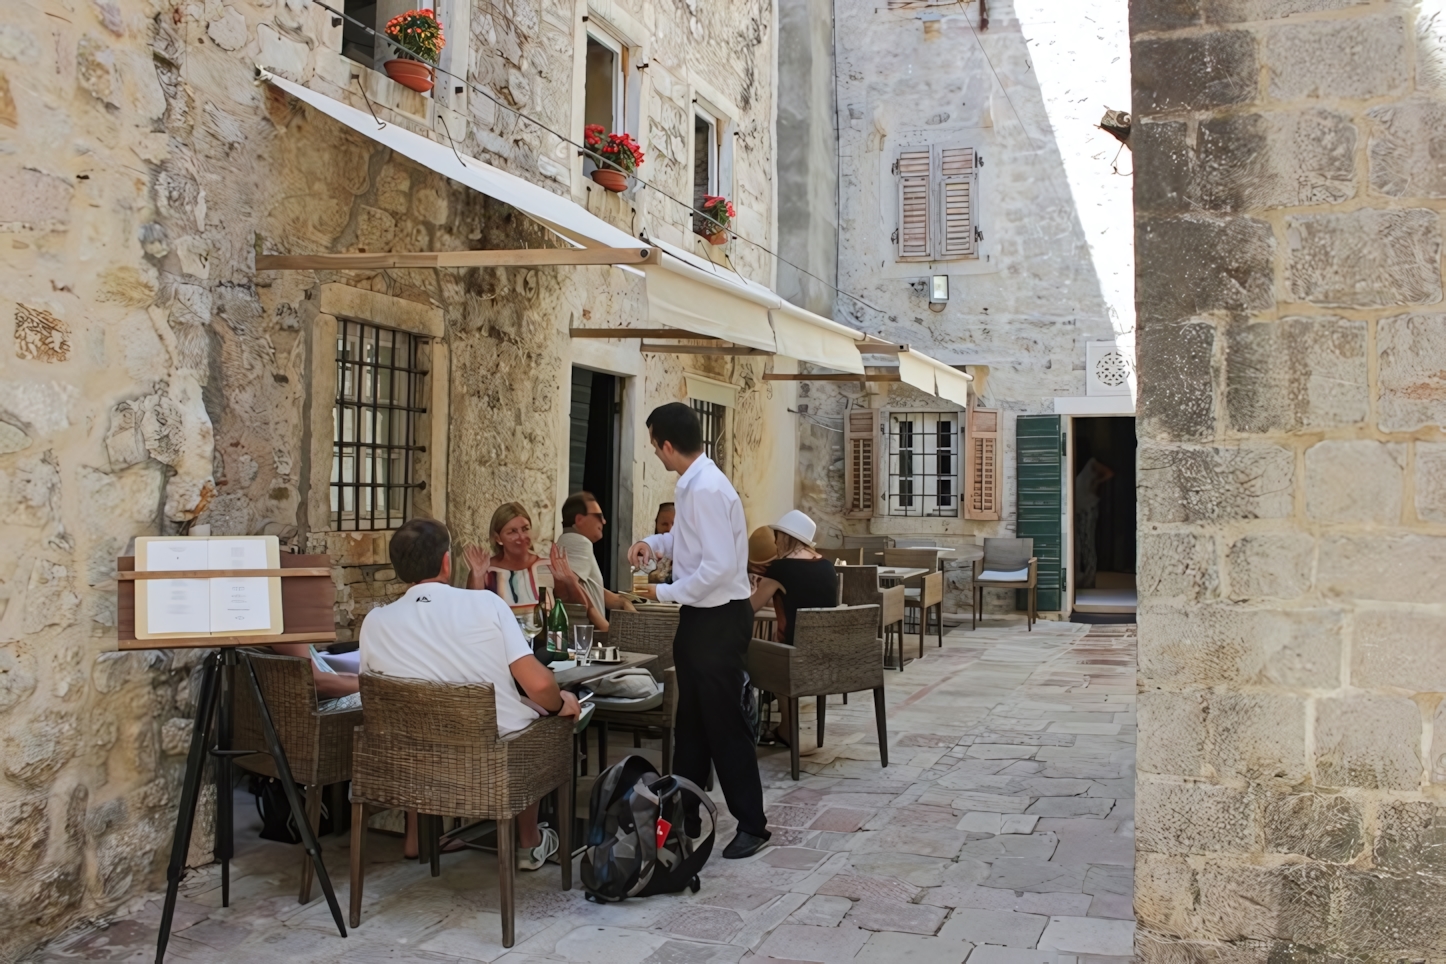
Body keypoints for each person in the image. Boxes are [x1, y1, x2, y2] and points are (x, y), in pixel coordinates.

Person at [359, 518, 582, 865]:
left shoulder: (374, 621)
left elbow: (395, 689)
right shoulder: (485, 604)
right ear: (447, 562)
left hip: (414, 753)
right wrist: (560, 704)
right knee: (547, 717)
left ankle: (416, 839)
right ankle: (529, 842)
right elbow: (539, 685)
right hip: (488, 754)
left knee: (425, 712)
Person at [628, 402, 771, 860]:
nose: (656, 454)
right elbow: (688, 544)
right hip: (701, 618)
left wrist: (666, 593)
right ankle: (683, 816)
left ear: (668, 445)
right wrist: (652, 544)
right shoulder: (693, 484)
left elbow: (719, 567)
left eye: (655, 446)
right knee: (690, 724)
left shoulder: (706, 488)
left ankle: (753, 824)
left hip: (717, 619)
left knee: (725, 725)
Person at [747, 510, 837, 746]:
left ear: (785, 537)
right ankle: (786, 726)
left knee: (750, 653)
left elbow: (750, 607)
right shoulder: (827, 566)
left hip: (794, 659)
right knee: (777, 650)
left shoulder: (780, 569)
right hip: (827, 656)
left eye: (777, 536)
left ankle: (780, 727)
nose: (775, 542)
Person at [465, 502, 595, 622]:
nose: (521, 537)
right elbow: (473, 612)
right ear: (498, 538)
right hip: (499, 643)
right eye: (512, 532)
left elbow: (580, 610)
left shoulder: (547, 566)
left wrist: (570, 581)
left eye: (525, 529)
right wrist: (477, 575)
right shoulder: (487, 569)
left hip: (542, 645)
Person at [556, 491, 635, 631]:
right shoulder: (579, 542)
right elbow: (570, 587)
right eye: (599, 516)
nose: (603, 521)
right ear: (579, 519)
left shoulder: (569, 541)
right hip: (584, 636)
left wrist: (620, 601)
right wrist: (605, 627)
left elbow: (588, 586)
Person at [648, 503, 675, 584]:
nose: (669, 529)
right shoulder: (647, 551)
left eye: (674, 524)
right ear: (656, 525)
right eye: (664, 524)